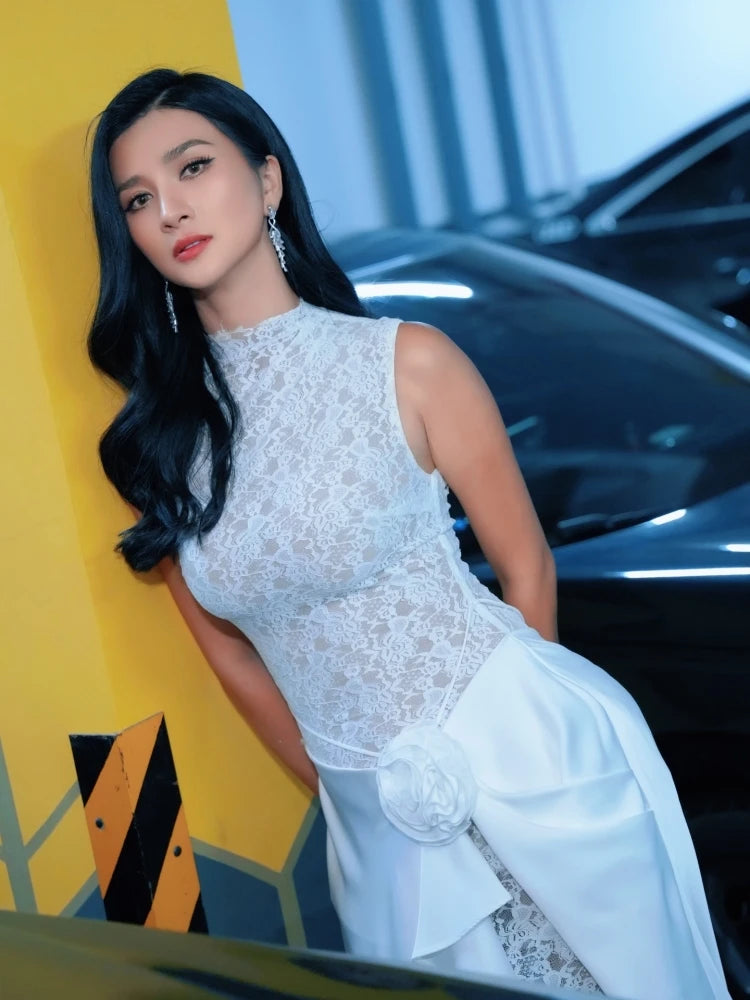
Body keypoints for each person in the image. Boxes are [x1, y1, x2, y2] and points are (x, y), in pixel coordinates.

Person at [87, 68, 730, 1000]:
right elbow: (233, 657)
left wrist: (505, 763)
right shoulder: (160, 441)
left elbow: (524, 565)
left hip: (534, 765)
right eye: (139, 199)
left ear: (267, 182)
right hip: (375, 827)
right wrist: (348, 794)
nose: (170, 210)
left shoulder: (407, 361)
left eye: (194, 168)